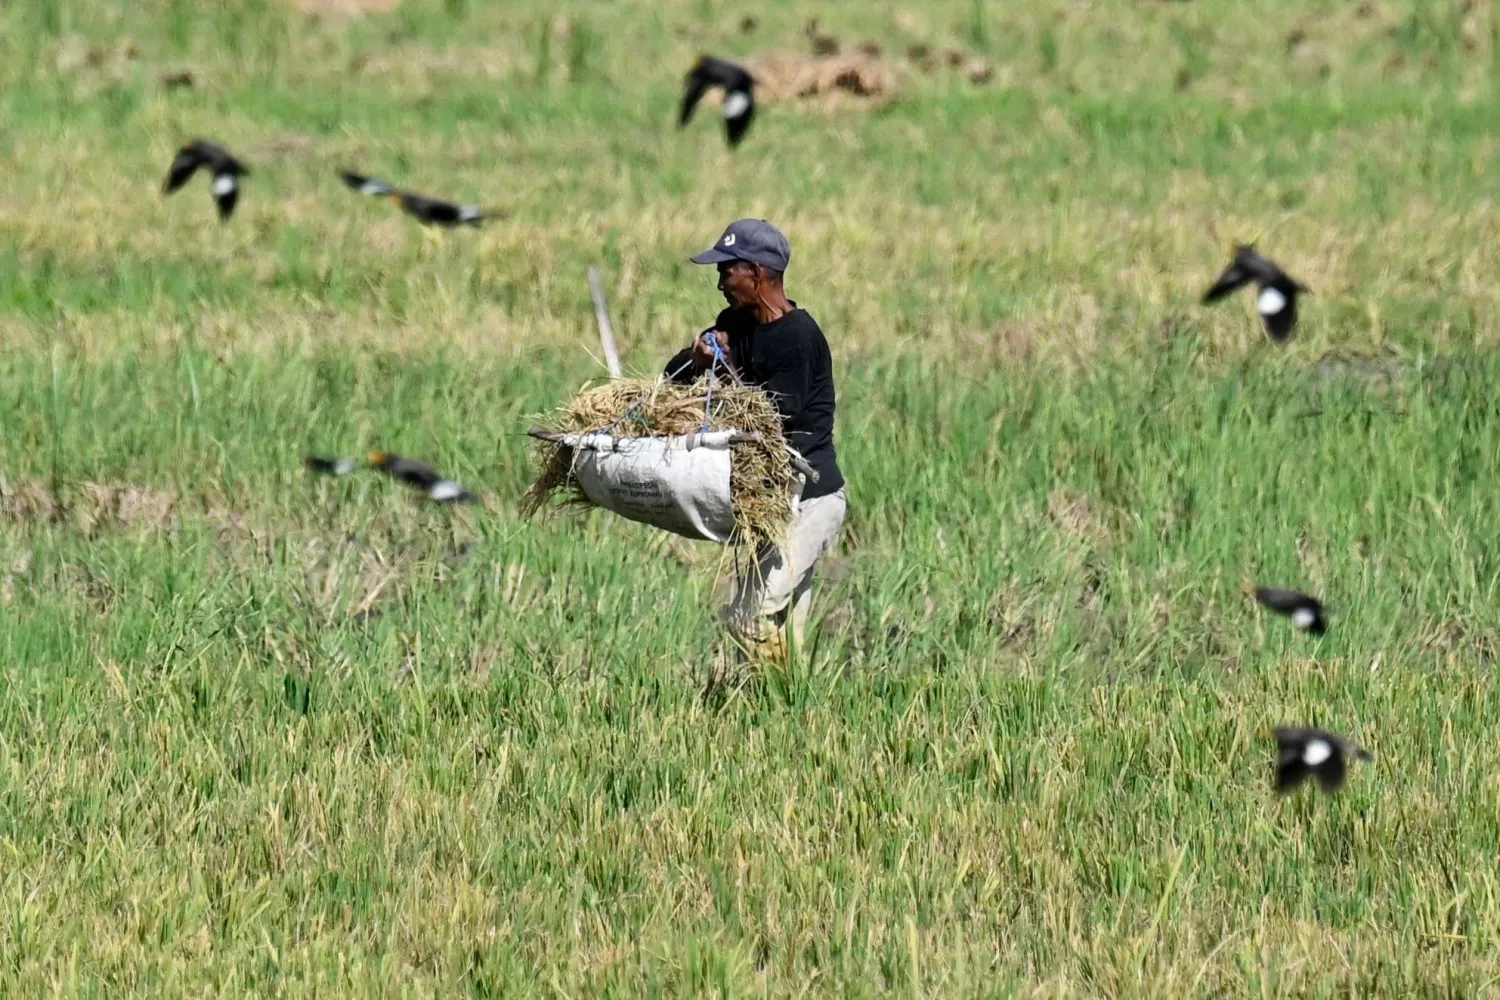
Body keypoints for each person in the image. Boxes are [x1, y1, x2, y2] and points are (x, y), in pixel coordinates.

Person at [663, 219, 847, 662]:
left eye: (728, 271)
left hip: (810, 501)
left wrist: (721, 370)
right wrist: (697, 357)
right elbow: (671, 380)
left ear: (758, 274)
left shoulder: (799, 338)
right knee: (787, 632)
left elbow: (770, 417)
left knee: (750, 617)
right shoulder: (736, 323)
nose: (720, 283)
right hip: (769, 502)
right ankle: (789, 712)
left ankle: (777, 702)